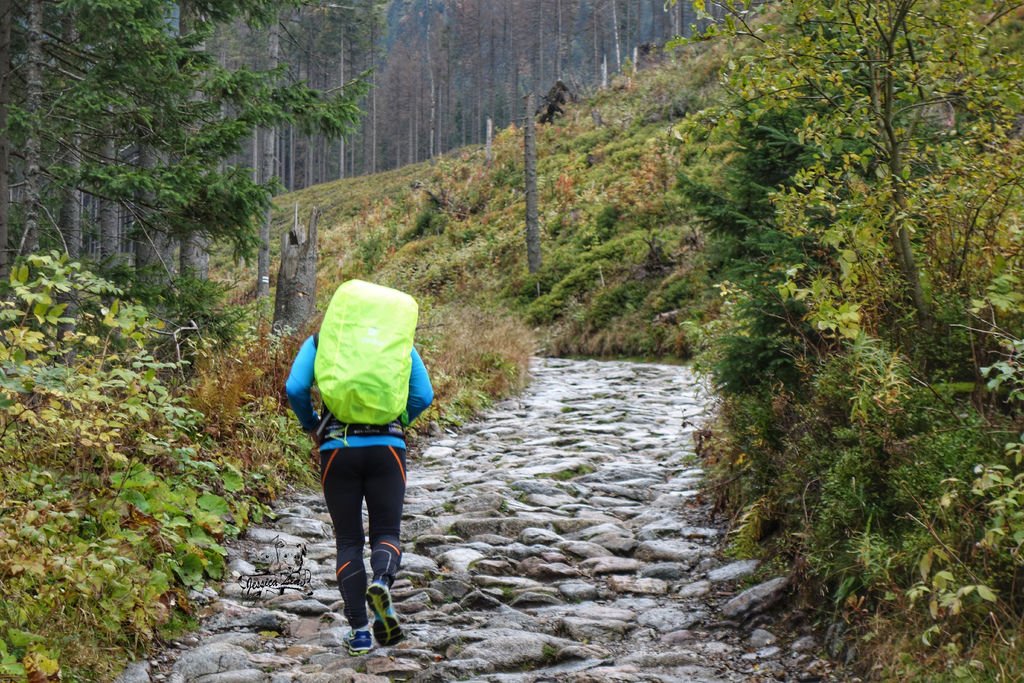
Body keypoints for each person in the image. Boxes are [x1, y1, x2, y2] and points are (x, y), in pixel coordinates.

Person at [285, 304, 433, 656]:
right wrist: (398, 423)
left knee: (348, 540)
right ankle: (382, 582)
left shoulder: (322, 341)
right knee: (387, 533)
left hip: (338, 449)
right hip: (388, 448)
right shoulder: (399, 344)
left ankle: (361, 633)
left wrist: (311, 425)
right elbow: (424, 395)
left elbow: (295, 387)